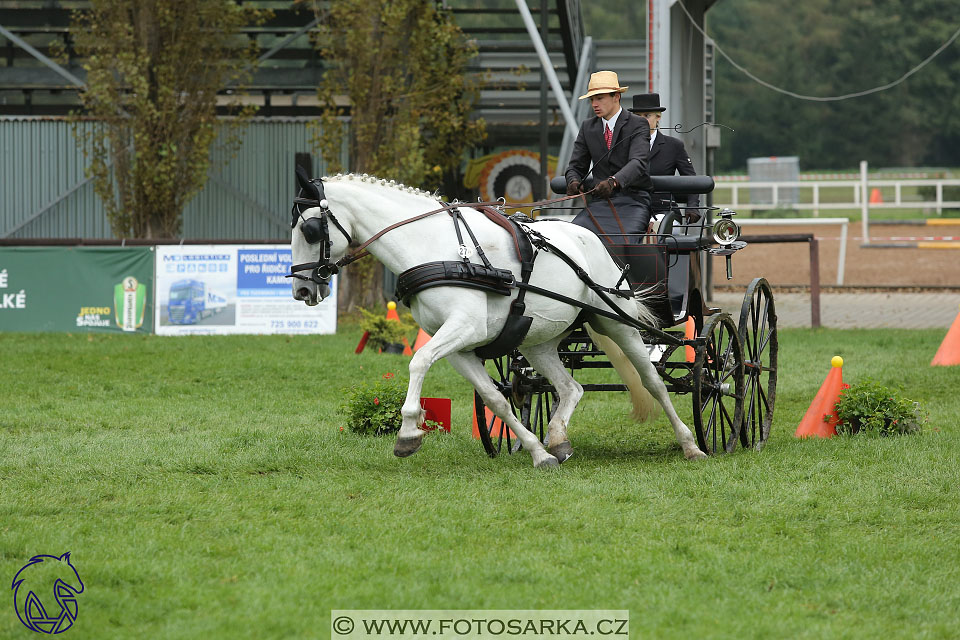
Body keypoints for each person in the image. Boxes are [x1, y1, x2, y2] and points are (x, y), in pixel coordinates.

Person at [564, 71, 654, 244]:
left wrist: (613, 181)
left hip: (633, 201)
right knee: (572, 241)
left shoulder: (638, 124)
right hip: (599, 203)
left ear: (616, 97)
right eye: (592, 100)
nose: (594, 104)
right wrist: (573, 181)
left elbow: (638, 162)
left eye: (599, 98)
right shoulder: (587, 127)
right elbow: (575, 166)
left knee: (622, 244)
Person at [629, 93, 701, 223]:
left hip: (664, 211)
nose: (641, 120)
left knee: (659, 227)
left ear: (658, 117)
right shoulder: (624, 145)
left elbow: (691, 180)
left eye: (647, 116)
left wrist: (692, 206)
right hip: (631, 210)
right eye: (637, 116)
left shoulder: (673, 146)